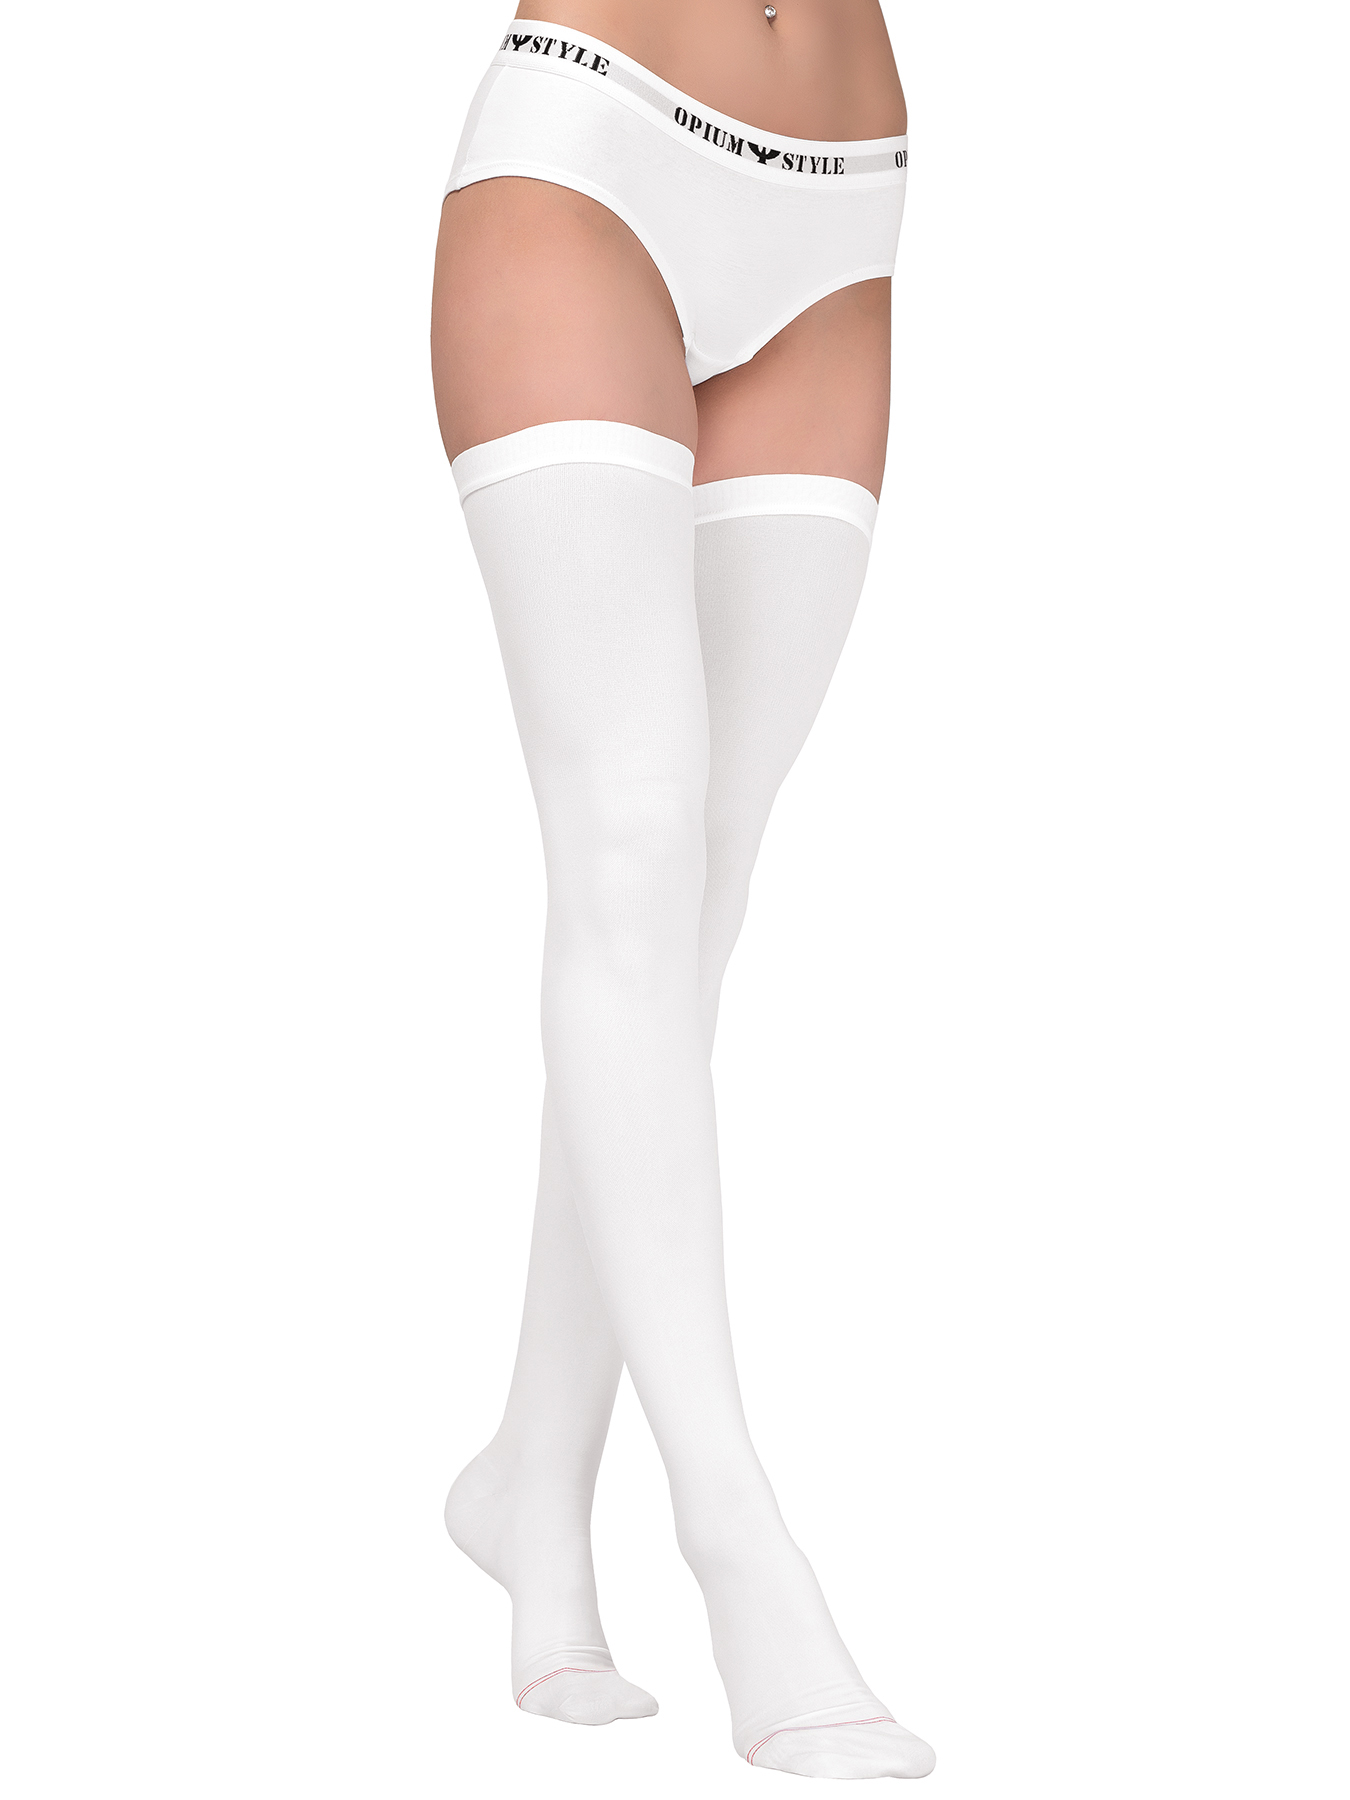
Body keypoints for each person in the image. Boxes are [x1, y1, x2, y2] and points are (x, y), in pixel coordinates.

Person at [430, 1, 934, 1777]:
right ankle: (739, 1544)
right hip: (590, 153)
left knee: (690, 904)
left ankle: (530, 1475)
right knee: (633, 845)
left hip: (842, 195)